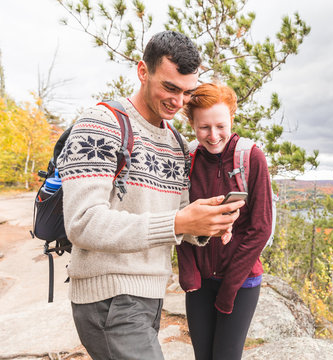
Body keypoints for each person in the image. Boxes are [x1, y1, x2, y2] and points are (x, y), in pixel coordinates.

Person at [56, 31, 244, 360]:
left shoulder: (176, 143)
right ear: (143, 71)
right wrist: (179, 221)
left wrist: (205, 224)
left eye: (187, 92)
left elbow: (179, 215)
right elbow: (83, 223)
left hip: (150, 296)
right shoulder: (100, 124)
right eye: (170, 88)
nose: (179, 101)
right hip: (108, 298)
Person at [176, 82, 273, 360]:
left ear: (232, 117)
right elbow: (180, 216)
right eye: (204, 127)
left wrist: (230, 287)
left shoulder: (250, 157)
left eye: (220, 125)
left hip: (241, 282)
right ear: (192, 123)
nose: (213, 135)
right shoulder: (188, 159)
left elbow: (260, 228)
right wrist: (190, 273)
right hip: (200, 281)